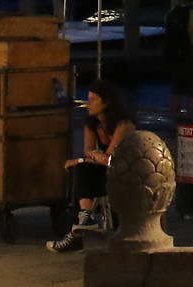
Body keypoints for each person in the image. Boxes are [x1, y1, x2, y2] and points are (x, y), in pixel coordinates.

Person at [49, 82, 131, 255]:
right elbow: (88, 150)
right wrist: (88, 158)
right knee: (80, 170)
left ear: (106, 103)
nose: (88, 104)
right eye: (88, 99)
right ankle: (83, 218)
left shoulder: (123, 124)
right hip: (104, 169)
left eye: (93, 100)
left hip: (124, 172)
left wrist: (84, 159)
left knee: (81, 169)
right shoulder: (92, 122)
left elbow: (110, 158)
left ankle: (79, 228)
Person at [162, 0, 193, 114]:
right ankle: (191, 120)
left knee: (176, 90)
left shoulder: (173, 13)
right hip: (192, 56)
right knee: (192, 92)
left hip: (174, 56)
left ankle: (175, 119)